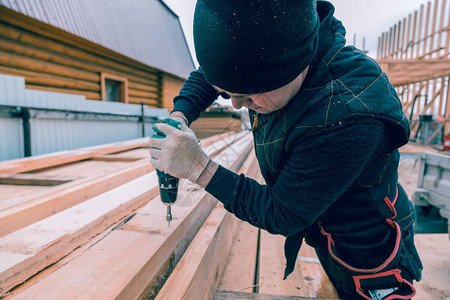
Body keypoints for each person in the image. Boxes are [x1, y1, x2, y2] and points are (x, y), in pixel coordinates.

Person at [148, 0, 423, 299]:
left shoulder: (349, 115)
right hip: (322, 228)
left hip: (368, 254)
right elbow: (216, 73)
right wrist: (180, 115)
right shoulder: (270, 53)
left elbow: (283, 213)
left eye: (249, 95)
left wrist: (198, 168)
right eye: (230, 93)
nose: (238, 104)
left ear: (295, 65)